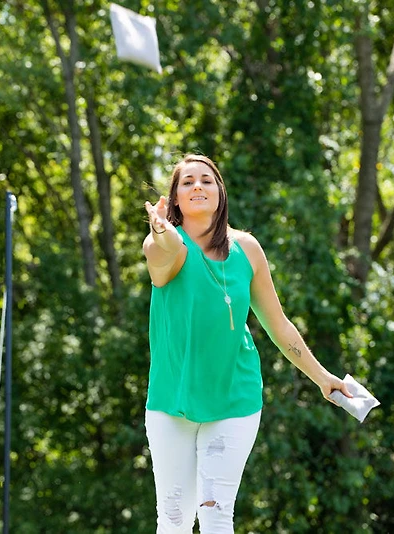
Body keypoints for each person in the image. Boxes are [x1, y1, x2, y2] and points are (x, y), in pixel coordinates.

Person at [142, 154, 351, 534]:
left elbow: (278, 324)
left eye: (206, 179)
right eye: (187, 182)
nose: (198, 186)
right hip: (172, 400)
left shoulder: (247, 249)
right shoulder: (166, 245)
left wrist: (323, 378)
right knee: (173, 520)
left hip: (234, 399)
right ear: (175, 199)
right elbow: (163, 252)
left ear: (220, 192)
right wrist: (160, 230)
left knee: (216, 515)